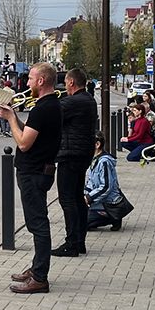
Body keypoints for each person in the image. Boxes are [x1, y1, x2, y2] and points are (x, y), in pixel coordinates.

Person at [0, 62, 62, 294]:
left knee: (38, 224)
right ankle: (37, 268)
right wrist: (14, 116)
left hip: (33, 172)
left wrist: (10, 119)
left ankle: (40, 277)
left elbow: (24, 143)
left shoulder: (43, 108)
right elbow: (30, 131)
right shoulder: (49, 105)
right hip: (39, 170)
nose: (27, 83)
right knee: (37, 222)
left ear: (41, 81)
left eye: (30, 79)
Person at [52, 68, 96, 258]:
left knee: (67, 199)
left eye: (66, 83)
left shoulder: (73, 101)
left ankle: (71, 243)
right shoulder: (88, 99)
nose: (64, 86)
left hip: (70, 154)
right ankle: (79, 242)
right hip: (83, 153)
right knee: (78, 198)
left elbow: (52, 115)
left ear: (71, 82)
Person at [85, 131, 123, 231]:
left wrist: (88, 198)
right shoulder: (94, 160)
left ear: (97, 144)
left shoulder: (104, 162)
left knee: (80, 222)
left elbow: (106, 187)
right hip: (99, 201)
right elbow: (90, 183)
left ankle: (113, 216)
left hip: (109, 203)